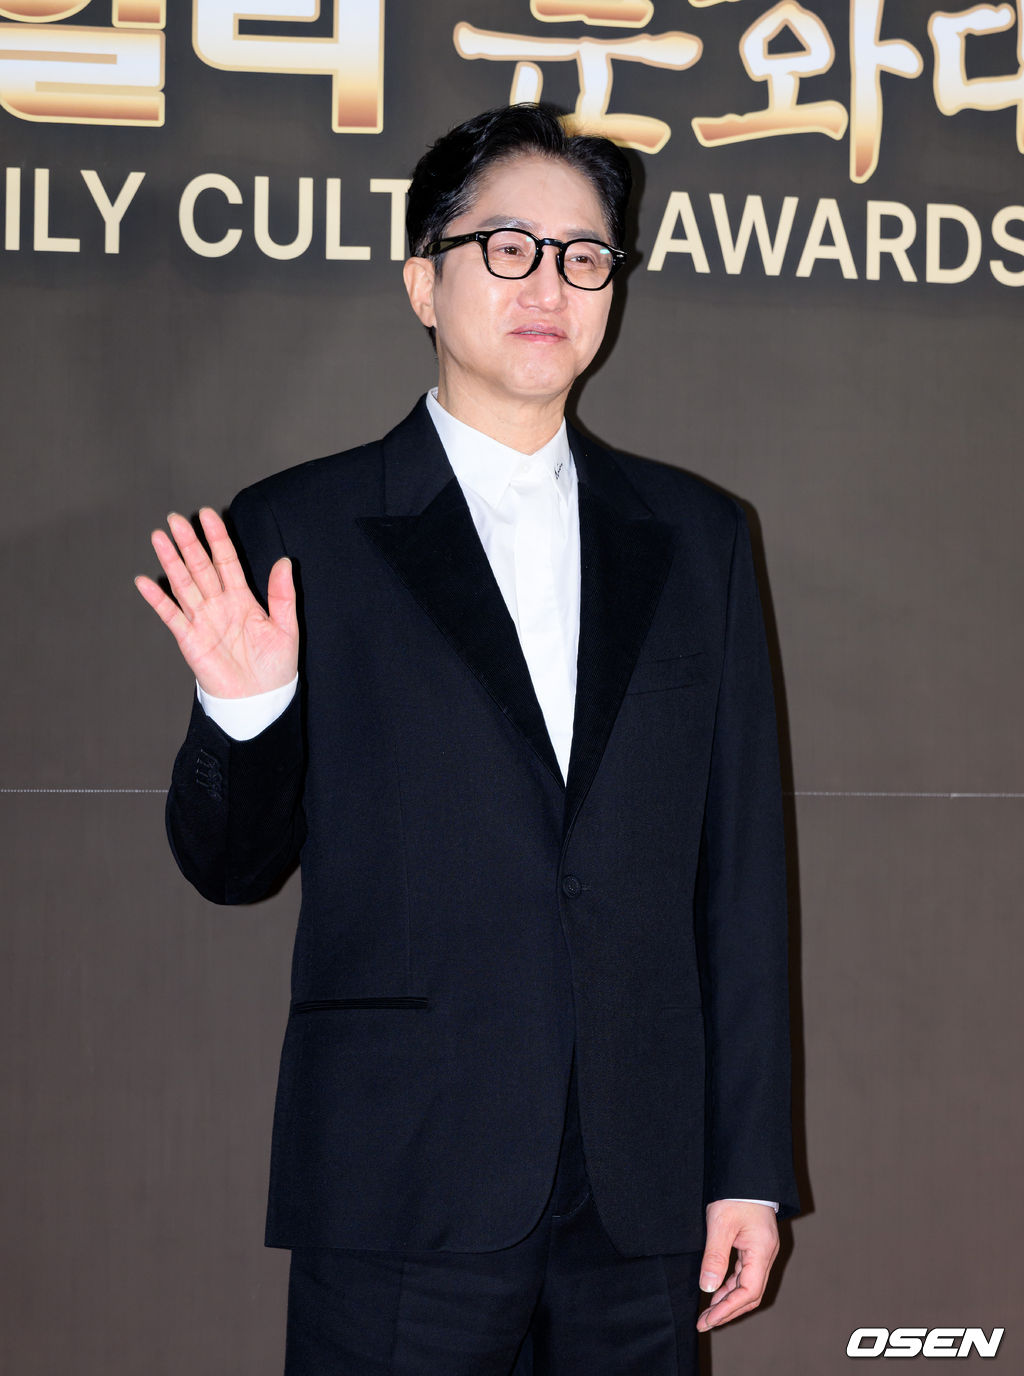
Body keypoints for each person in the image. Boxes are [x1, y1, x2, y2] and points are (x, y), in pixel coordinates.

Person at [136, 104, 798, 1375]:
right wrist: (247, 710)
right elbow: (227, 864)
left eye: (584, 254)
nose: (549, 283)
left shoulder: (698, 537)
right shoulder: (302, 528)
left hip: (642, 1188)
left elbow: (740, 879)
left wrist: (747, 1167)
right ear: (421, 281)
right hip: (403, 1172)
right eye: (507, 247)